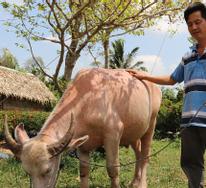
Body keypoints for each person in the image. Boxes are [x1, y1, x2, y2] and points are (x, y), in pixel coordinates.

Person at [127, 2, 206, 188]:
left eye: (198, 22)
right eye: (189, 24)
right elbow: (172, 79)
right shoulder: (187, 56)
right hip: (189, 122)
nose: (194, 27)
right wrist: (145, 76)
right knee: (191, 165)